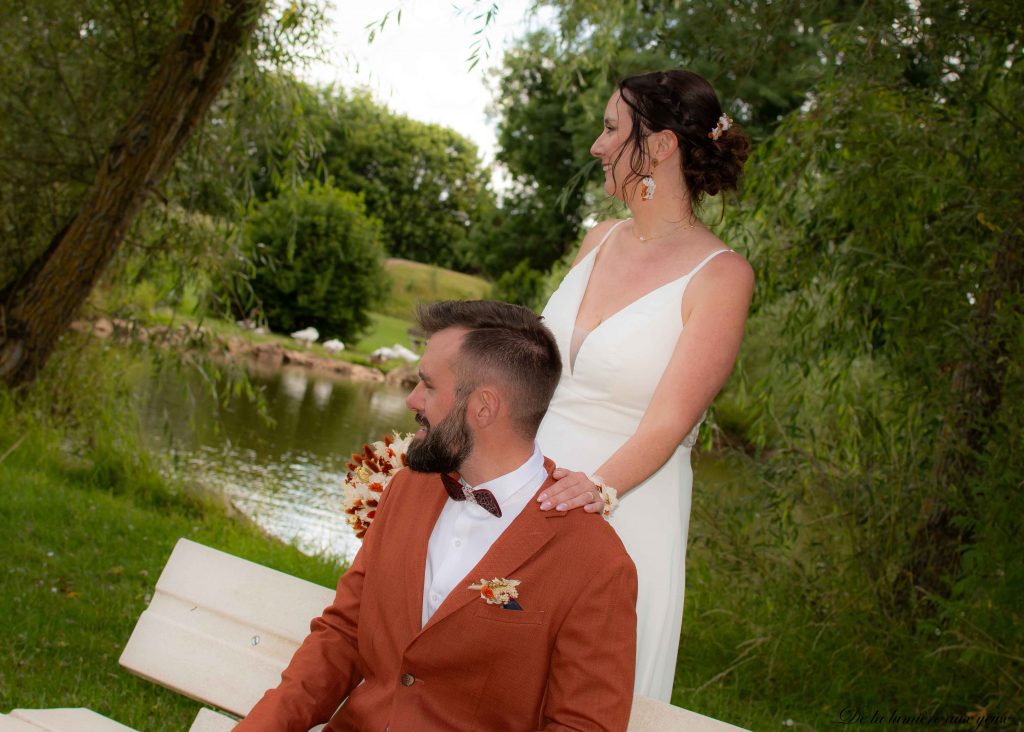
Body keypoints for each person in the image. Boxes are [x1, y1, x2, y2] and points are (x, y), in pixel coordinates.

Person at [236, 300, 638, 732]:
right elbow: (344, 635)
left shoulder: (595, 562)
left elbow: (583, 727)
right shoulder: (408, 489)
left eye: (427, 385)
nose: (411, 398)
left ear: (484, 407)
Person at [534, 69, 754, 702]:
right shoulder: (596, 239)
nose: (598, 146)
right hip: (530, 483)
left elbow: (669, 422)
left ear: (659, 146)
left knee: (581, 696)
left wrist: (590, 492)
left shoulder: (721, 277)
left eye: (611, 129)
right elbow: (540, 367)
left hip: (625, 506)